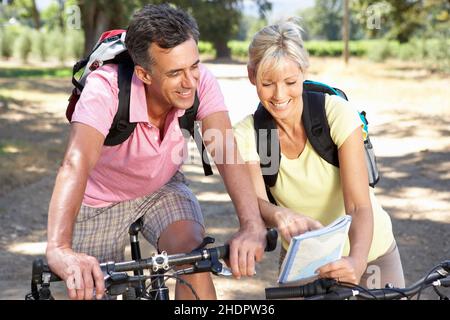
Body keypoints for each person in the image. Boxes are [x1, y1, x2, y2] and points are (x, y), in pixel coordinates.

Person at [46, 4, 268, 300]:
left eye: (194, 66)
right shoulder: (106, 89)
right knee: (90, 286)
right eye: (175, 72)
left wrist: (252, 226)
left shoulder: (201, 82)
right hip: (98, 200)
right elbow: (75, 164)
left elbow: (227, 153)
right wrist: (59, 248)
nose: (190, 82)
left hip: (162, 189)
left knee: (194, 259)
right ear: (144, 74)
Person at [233, 19, 405, 288]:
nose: (279, 96)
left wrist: (356, 263)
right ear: (251, 75)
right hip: (304, 262)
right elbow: (255, 202)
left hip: (369, 254)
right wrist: (278, 214)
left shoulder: (335, 113)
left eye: (290, 81)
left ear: (303, 71)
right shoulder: (247, 133)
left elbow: (358, 206)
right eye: (267, 83)